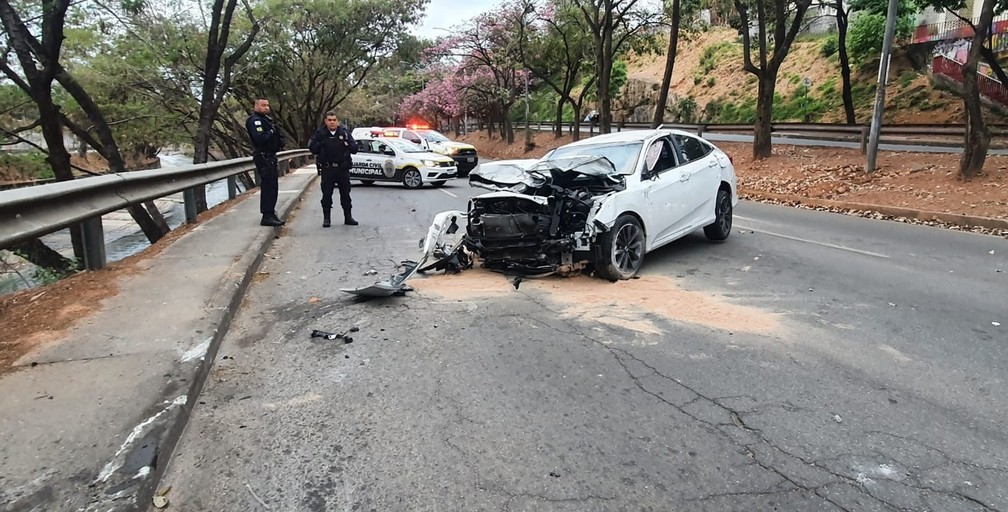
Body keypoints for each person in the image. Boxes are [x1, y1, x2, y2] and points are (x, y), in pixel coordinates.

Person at [308, 111, 358, 227]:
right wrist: (321, 143)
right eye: (329, 120)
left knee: (345, 194)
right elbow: (313, 149)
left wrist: (347, 144)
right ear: (325, 121)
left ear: (337, 121)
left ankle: (348, 217)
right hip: (328, 168)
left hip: (342, 169)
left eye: (334, 120)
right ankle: (327, 219)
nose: (332, 122)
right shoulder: (320, 133)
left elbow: (354, 148)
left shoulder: (344, 133)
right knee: (326, 194)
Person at [245, 98, 286, 227]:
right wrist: (272, 131)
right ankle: (266, 215)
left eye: (268, 105)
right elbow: (260, 138)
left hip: (271, 156)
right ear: (256, 106)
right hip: (263, 156)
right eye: (263, 105)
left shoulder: (267, 120)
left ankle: (271, 212)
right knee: (268, 186)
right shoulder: (255, 121)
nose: (266, 108)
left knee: (273, 186)